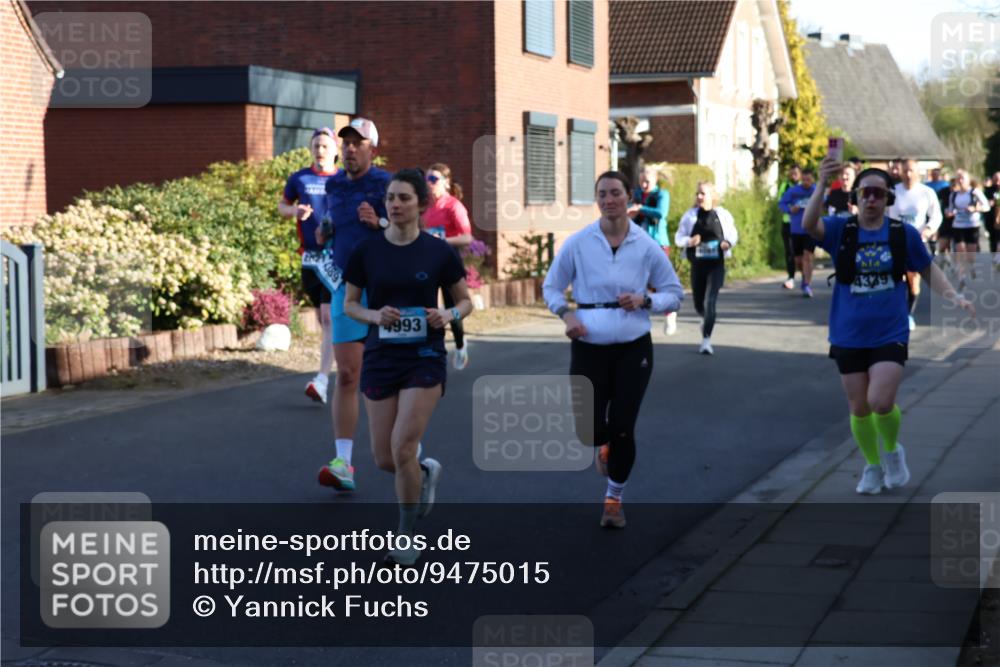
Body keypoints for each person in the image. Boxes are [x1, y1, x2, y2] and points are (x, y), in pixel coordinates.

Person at [803, 157, 974, 495]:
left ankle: (892, 451)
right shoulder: (842, 230)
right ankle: (872, 464)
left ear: (887, 200)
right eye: (865, 193)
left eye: (878, 194)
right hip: (848, 331)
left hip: (889, 330)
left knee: (880, 400)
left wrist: (952, 295)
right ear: (855, 197)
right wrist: (822, 183)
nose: (871, 199)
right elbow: (809, 224)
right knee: (859, 407)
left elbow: (927, 268)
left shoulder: (902, 234)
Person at [342, 168, 471, 565]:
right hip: (381, 355)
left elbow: (465, 302)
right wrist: (375, 315)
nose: (395, 205)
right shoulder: (367, 251)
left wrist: (447, 315)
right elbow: (350, 304)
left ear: (421, 205)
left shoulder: (438, 252)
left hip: (425, 357)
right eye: (391, 198)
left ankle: (406, 532)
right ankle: (425, 474)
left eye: (404, 199)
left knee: (402, 447)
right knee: (384, 458)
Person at [542, 171, 683, 529]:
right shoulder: (579, 243)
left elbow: (674, 292)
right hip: (588, 344)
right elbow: (552, 288)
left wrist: (646, 299)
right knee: (587, 429)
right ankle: (600, 445)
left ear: (627, 197)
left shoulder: (645, 245)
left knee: (623, 426)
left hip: (634, 347)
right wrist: (566, 314)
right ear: (597, 200)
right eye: (602, 194)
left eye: (616, 193)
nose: (609, 200)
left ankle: (613, 499)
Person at [316, 118, 392, 493]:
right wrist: (326, 229)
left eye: (357, 143)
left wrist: (379, 222)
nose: (348, 148)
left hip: (385, 289)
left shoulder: (388, 184)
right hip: (345, 287)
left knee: (387, 377)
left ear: (372, 149)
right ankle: (343, 462)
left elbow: (411, 229)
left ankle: (407, 453)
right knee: (347, 375)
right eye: (344, 142)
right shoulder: (333, 185)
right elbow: (335, 220)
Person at [278, 127, 339, 404]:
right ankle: (343, 356)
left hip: (334, 256)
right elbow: (282, 206)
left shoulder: (342, 179)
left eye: (325, 146)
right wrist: (296, 211)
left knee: (327, 317)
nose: (320, 150)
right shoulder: (300, 178)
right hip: (309, 258)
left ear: (335, 150)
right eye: (316, 145)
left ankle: (322, 379)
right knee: (322, 319)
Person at [674, 181, 739, 355]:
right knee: (698, 305)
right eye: (697, 193)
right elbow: (678, 237)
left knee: (710, 301)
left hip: (716, 265)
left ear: (712, 196)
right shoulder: (690, 216)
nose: (699, 197)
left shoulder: (723, 214)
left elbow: (732, 233)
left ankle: (706, 341)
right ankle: (706, 319)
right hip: (698, 265)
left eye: (703, 193)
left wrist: (728, 243)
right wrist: (689, 241)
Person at [423, 163, 474, 369]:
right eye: (427, 179)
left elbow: (467, 237)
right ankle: (432, 348)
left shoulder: (454, 206)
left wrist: (442, 240)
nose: (430, 183)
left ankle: (460, 344)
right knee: (428, 305)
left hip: (448, 261)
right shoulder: (425, 206)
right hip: (427, 261)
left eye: (434, 179)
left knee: (453, 307)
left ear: (446, 182)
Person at [890, 159, 943, 331]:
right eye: (905, 171)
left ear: (918, 172)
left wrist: (928, 229)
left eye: (911, 170)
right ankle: (897, 313)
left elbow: (936, 216)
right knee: (897, 280)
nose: (908, 174)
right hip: (895, 242)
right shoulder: (893, 191)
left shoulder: (926, 192)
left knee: (913, 283)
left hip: (916, 242)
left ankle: (908, 314)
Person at [629, 165, 677, 335]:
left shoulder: (662, 195)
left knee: (658, 282)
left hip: (658, 243)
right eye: (642, 180)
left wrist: (640, 209)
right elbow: (628, 213)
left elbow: (661, 213)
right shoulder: (635, 195)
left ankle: (670, 312)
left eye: (647, 180)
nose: (644, 184)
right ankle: (637, 319)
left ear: (655, 179)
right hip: (637, 244)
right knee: (637, 281)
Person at [945, 169, 989, 290]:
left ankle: (972, 266)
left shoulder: (975, 192)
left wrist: (975, 208)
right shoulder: (953, 195)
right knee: (960, 251)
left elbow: (987, 207)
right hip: (958, 225)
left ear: (968, 180)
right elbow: (950, 209)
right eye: (958, 178)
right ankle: (962, 278)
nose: (960, 180)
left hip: (972, 225)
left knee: (970, 255)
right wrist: (949, 213)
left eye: (962, 178)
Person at [778, 167, 818, 297]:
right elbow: (781, 204)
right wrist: (790, 209)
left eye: (809, 180)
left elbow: (825, 201)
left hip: (811, 229)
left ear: (813, 179)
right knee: (798, 259)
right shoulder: (793, 191)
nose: (806, 182)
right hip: (796, 229)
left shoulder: (816, 190)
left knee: (808, 256)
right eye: (804, 179)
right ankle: (804, 277)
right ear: (801, 179)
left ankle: (807, 284)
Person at [777, 164, 802, 289]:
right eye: (791, 173)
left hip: (802, 224)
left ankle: (805, 277)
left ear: (800, 174)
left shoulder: (805, 186)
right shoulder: (785, 186)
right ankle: (791, 277)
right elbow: (780, 203)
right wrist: (790, 209)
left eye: (796, 173)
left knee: (801, 253)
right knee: (789, 252)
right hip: (788, 223)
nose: (793, 176)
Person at [984, 171, 1000, 258]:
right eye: (995, 180)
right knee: (993, 241)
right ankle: (994, 259)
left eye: (999, 180)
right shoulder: (989, 190)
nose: (997, 182)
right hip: (991, 220)